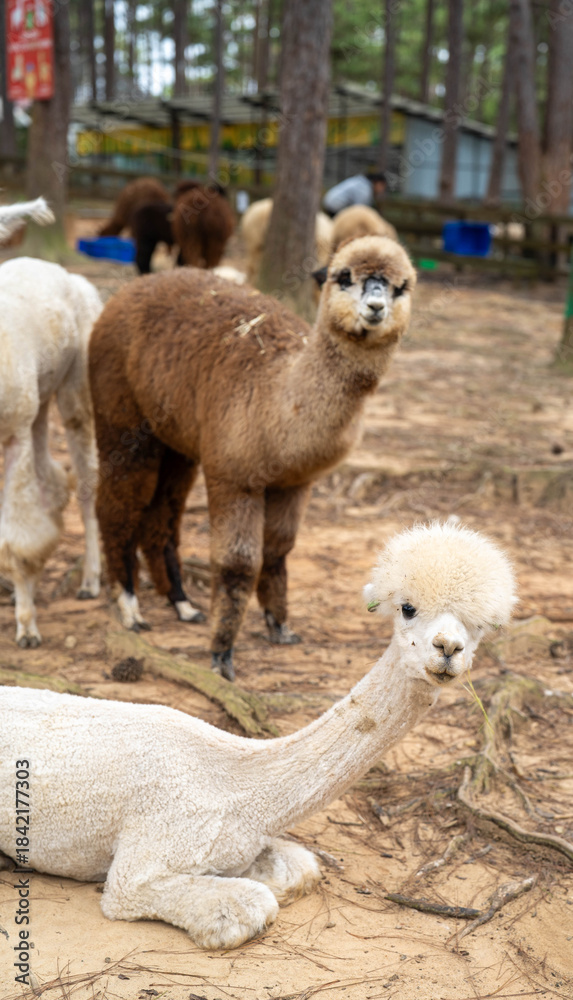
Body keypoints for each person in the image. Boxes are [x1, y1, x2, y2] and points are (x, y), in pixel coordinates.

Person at [322, 170, 387, 217]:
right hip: (335, 205)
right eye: (382, 186)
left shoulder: (362, 181)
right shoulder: (365, 189)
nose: (382, 190)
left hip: (329, 200)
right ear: (377, 183)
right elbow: (359, 210)